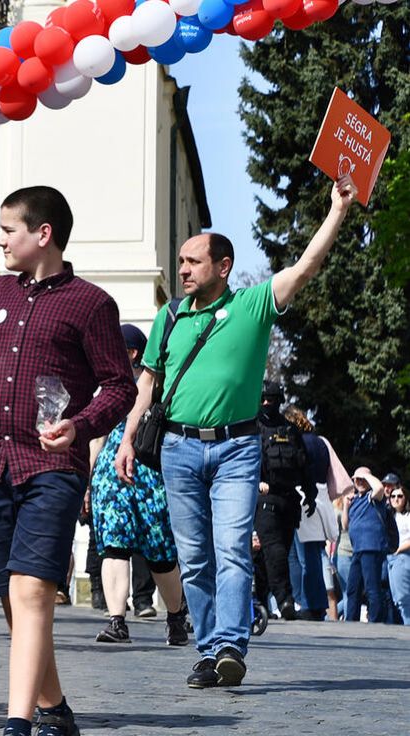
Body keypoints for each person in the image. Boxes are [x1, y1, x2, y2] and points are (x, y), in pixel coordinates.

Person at [115, 176, 357, 687]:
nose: (182, 269)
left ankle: (230, 646)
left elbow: (306, 266)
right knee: (194, 556)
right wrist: (130, 433)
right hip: (178, 447)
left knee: (229, 549)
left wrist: (336, 211)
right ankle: (208, 649)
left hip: (237, 448)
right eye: (180, 261)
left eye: (193, 262)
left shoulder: (253, 306)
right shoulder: (169, 315)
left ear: (222, 267)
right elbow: (149, 380)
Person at [0, 187, 134, 736]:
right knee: (12, 598)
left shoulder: (90, 303)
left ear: (43, 233)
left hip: (53, 468)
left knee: (31, 594)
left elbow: (119, 386)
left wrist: (82, 423)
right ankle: (55, 708)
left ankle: (18, 723)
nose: (0, 239)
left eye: (9, 229)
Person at [88, 324, 188, 646]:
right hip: (111, 474)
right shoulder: (105, 386)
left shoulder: (157, 385)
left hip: (149, 470)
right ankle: (117, 620)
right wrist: (89, 482)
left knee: (160, 552)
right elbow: (96, 436)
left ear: (131, 353)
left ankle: (175, 616)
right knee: (112, 545)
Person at [254, 382, 317, 621]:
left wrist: (309, 495)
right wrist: (254, 484)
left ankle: (261, 601)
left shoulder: (291, 431)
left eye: (272, 399)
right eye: (264, 400)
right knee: (274, 551)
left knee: (270, 555)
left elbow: (305, 466)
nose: (267, 404)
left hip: (289, 501)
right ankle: (285, 599)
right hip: (264, 500)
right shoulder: (251, 429)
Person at [285, 406, 346, 620]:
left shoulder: (300, 442)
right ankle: (312, 602)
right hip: (320, 499)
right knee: (308, 554)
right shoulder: (320, 442)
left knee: (302, 556)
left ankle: (308, 604)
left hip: (302, 497)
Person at [342, 468, 390, 623]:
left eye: (363, 479)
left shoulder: (374, 497)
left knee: (372, 588)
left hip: (372, 547)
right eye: (357, 479)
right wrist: (345, 505)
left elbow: (380, 488)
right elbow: (345, 526)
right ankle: (351, 621)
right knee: (352, 588)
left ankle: (375, 621)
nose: (360, 482)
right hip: (357, 549)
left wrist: (366, 475)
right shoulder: (354, 500)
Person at [387, 477, 410, 624]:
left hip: (403, 557)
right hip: (390, 559)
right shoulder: (390, 516)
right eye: (393, 496)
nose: (396, 499)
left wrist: (397, 550)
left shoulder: (408, 517)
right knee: (395, 599)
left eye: (399, 496)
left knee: (403, 598)